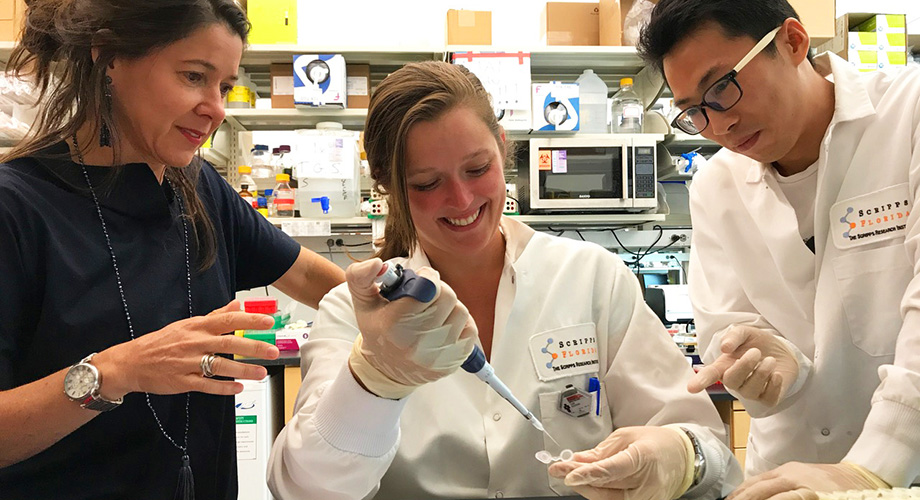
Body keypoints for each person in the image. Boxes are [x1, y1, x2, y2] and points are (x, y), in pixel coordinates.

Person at [267, 60, 741, 500]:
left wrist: (681, 454)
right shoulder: (351, 313)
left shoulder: (590, 278)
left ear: (502, 145)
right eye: (426, 183)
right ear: (388, 186)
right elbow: (304, 487)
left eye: (478, 168)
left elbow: (706, 444)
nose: (462, 199)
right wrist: (373, 381)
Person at [0, 1, 344, 498]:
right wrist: (116, 371)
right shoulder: (18, 207)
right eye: (193, 77)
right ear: (110, 57)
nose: (216, 108)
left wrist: (401, 308)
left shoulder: (201, 191)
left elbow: (318, 280)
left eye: (223, 86)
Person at [638, 0, 920, 498]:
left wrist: (873, 466)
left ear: (792, 41)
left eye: (722, 88)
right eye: (692, 112)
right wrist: (769, 367)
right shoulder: (716, 188)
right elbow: (727, 327)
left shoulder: (909, 115)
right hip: (786, 476)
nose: (717, 126)